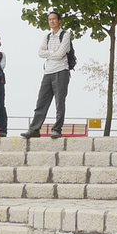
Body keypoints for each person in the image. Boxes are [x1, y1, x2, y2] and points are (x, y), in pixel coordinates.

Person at [22, 11, 73, 139]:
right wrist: (52, 52)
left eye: (54, 19)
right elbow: (40, 53)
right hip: (48, 72)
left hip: (61, 71)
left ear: (59, 21)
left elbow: (60, 54)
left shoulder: (65, 35)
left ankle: (57, 129)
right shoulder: (47, 36)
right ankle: (34, 129)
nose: (52, 21)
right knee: (41, 102)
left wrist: (48, 53)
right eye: (49, 19)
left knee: (59, 102)